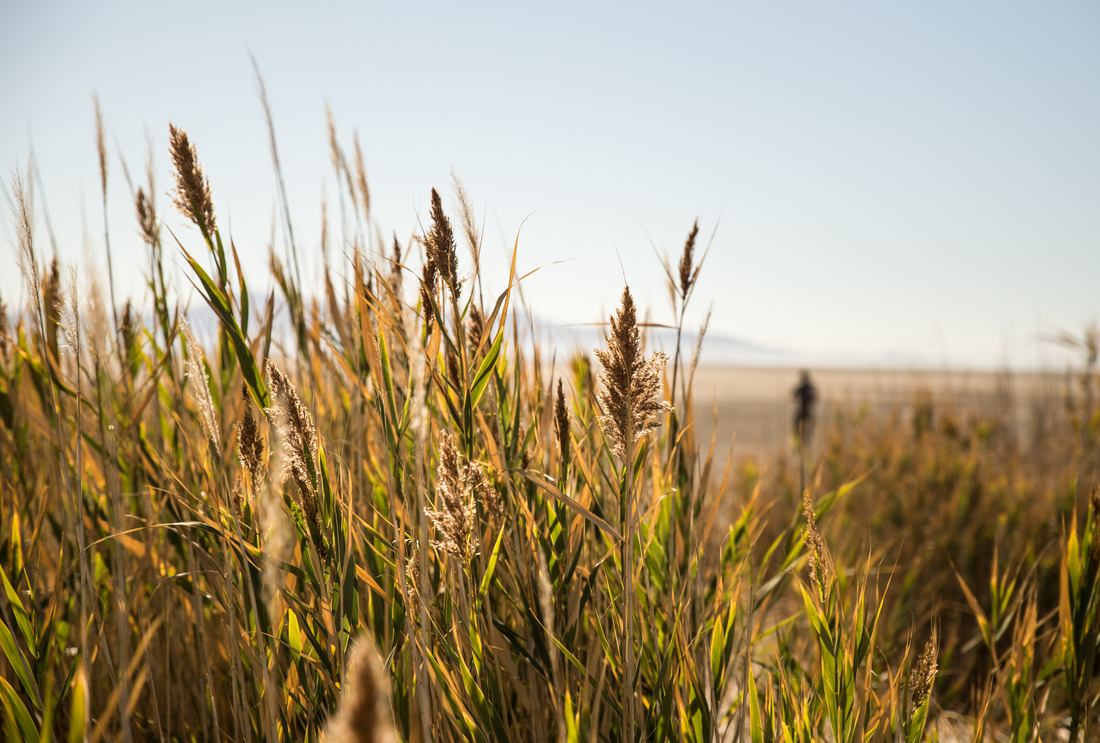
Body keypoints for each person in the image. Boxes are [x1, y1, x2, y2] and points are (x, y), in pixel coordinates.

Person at [792, 370, 818, 444]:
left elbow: (793, 397)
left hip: (802, 410)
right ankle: (807, 438)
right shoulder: (811, 388)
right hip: (809, 410)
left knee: (796, 425)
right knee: (810, 425)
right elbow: (816, 398)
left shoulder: (801, 387)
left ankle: (799, 439)